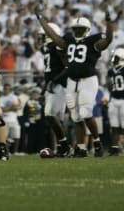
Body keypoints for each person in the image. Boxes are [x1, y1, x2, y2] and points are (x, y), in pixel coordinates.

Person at [36, 6, 113, 157]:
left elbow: (108, 39)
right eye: (75, 29)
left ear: (87, 29)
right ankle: (81, 148)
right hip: (72, 81)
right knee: (76, 116)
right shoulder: (68, 41)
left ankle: (97, 143)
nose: (77, 31)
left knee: (86, 113)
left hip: (88, 80)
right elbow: (53, 36)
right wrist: (42, 21)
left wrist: (109, 22)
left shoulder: (93, 42)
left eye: (80, 29)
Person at [39, 22, 70, 157]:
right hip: (52, 85)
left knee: (50, 115)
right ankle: (62, 147)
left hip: (59, 86)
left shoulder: (56, 48)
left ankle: (64, 145)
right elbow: (49, 72)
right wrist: (44, 89)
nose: (40, 38)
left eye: (42, 35)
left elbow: (68, 67)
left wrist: (55, 81)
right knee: (58, 118)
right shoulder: (47, 49)